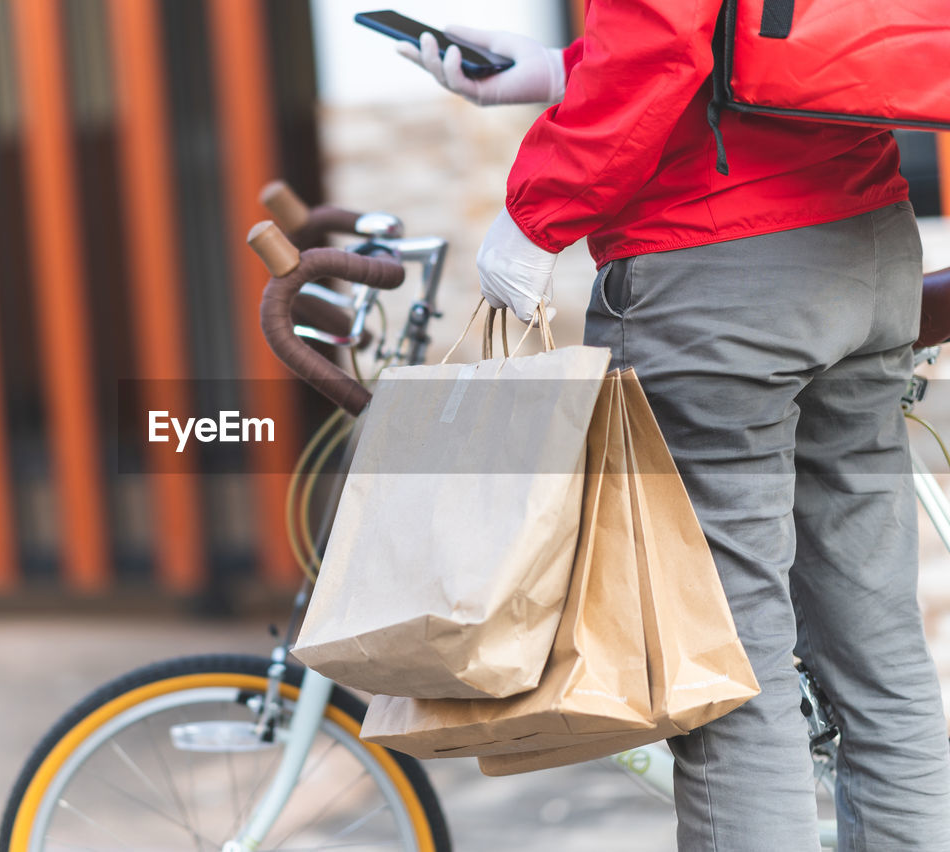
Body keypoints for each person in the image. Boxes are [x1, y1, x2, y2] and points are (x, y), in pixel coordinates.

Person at [399, 6, 950, 851]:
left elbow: (657, 33)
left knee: (730, 672)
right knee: (879, 656)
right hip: (865, 243)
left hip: (719, 273)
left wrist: (534, 215)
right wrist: (560, 67)